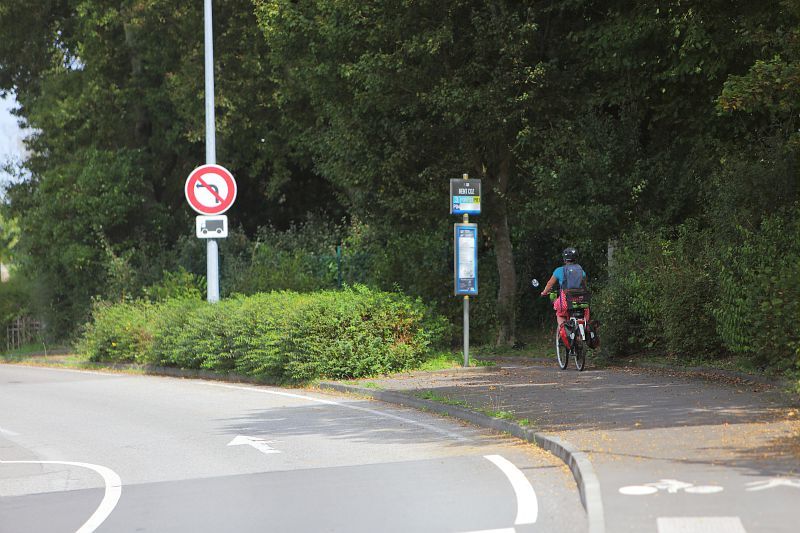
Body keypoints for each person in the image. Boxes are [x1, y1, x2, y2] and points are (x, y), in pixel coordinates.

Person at [540, 247, 588, 329]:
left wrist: (544, 292)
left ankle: (563, 330)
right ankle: (583, 329)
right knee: (585, 312)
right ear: (576, 259)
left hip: (566, 301)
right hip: (581, 301)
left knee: (560, 313)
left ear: (564, 259)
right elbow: (585, 286)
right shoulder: (581, 271)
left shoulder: (559, 270)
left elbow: (550, 283)